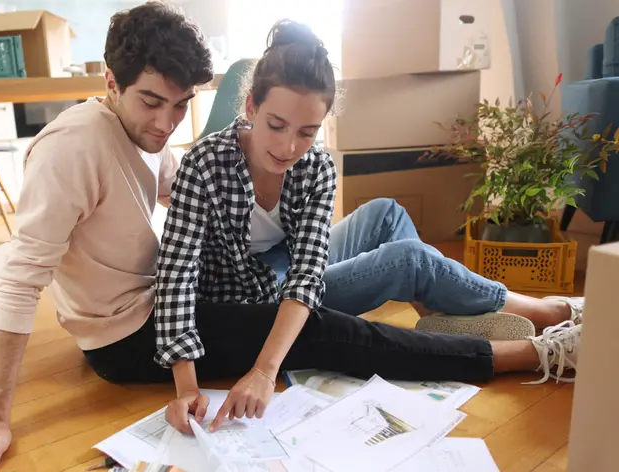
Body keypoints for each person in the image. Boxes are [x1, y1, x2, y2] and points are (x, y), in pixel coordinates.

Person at [152, 19, 585, 435]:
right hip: (255, 297)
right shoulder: (204, 164)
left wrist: (266, 372)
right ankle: (551, 312)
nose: (288, 147)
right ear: (251, 107)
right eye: (276, 125)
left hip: (287, 271)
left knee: (386, 212)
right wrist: (195, 385)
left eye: (307, 131)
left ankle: (436, 314)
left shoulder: (316, 165)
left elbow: (307, 270)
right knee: (409, 258)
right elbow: (176, 277)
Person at [0, 3, 214, 471]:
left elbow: (182, 195)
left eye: (181, 105)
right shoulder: (73, 148)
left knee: (284, 274)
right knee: (302, 322)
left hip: (160, 298)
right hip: (129, 336)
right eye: (151, 102)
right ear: (111, 82)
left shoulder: (145, 135)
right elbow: (21, 280)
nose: (166, 123)